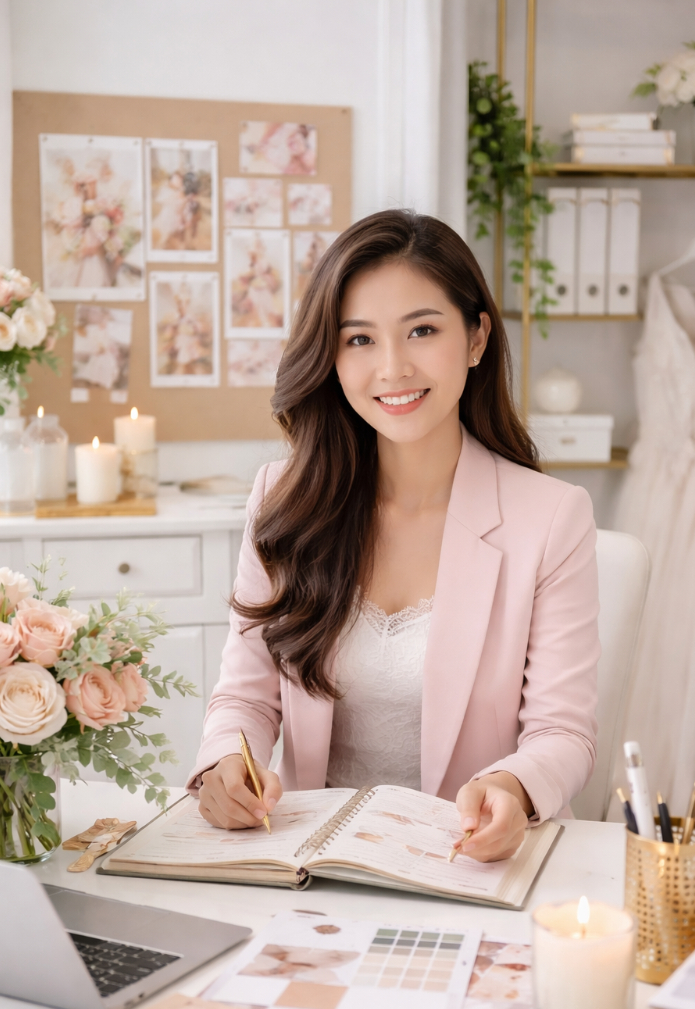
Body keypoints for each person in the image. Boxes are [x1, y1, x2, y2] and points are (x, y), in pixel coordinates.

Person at [188, 210, 600, 863]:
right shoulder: (282, 498)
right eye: (359, 340)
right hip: (314, 865)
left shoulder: (552, 518)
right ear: (331, 354)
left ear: (475, 338)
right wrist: (221, 765)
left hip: (470, 866)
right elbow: (246, 693)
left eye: (422, 330)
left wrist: (514, 787)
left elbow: (562, 731)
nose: (392, 368)